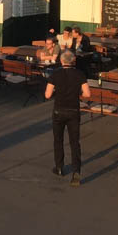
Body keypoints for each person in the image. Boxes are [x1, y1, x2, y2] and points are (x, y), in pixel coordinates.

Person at [44, 50, 90, 185]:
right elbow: (87, 94)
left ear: (62, 61)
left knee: (58, 140)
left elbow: (47, 95)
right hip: (73, 111)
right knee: (74, 142)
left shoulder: (55, 74)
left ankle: (59, 167)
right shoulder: (79, 74)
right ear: (73, 61)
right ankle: (76, 171)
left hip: (59, 110)